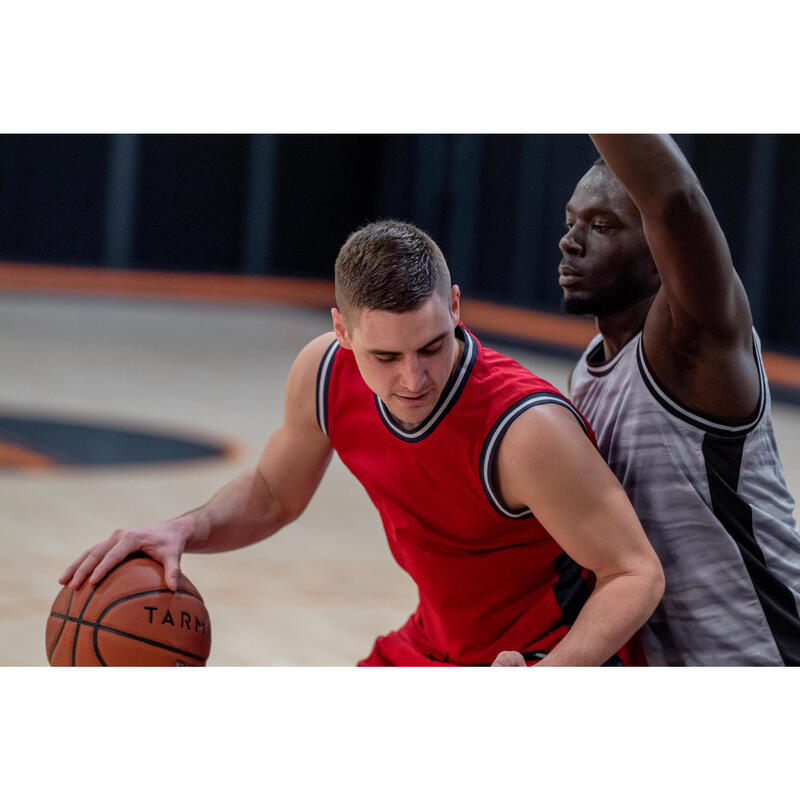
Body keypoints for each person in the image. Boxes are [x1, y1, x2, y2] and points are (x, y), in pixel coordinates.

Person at [60, 220, 664, 667]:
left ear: (454, 308)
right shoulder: (323, 373)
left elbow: (635, 573)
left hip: (545, 654)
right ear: (341, 330)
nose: (414, 378)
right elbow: (273, 494)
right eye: (386, 356)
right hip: (435, 644)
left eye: (431, 345)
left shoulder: (526, 430)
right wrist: (184, 529)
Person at [552, 134, 800, 666]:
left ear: (660, 246)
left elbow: (675, 200)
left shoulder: (692, 345)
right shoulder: (589, 368)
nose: (570, 241)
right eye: (571, 222)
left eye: (600, 226)